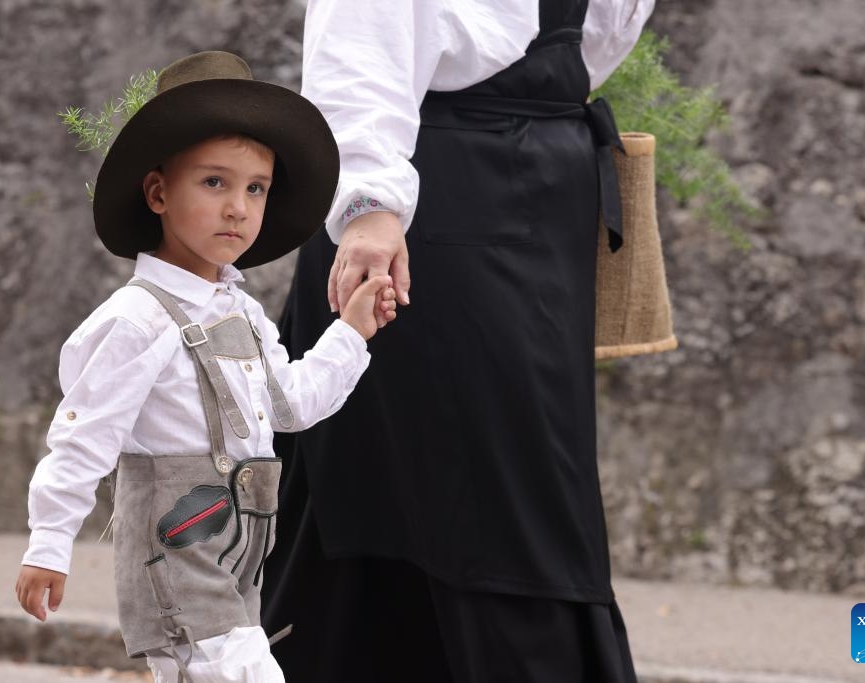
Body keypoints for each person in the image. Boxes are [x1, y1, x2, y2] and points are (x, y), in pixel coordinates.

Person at [261, 1, 654, 681]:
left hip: (539, 206)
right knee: (477, 506)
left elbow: (585, 45)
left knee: (525, 502)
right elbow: (361, 37)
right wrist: (369, 207)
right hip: (427, 214)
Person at [14, 51, 397, 683]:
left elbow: (292, 404)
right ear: (159, 192)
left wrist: (351, 331)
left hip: (242, 554)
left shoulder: (241, 311)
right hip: (177, 551)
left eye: (256, 189)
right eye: (214, 183)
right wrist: (49, 545)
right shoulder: (137, 319)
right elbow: (83, 439)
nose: (238, 209)